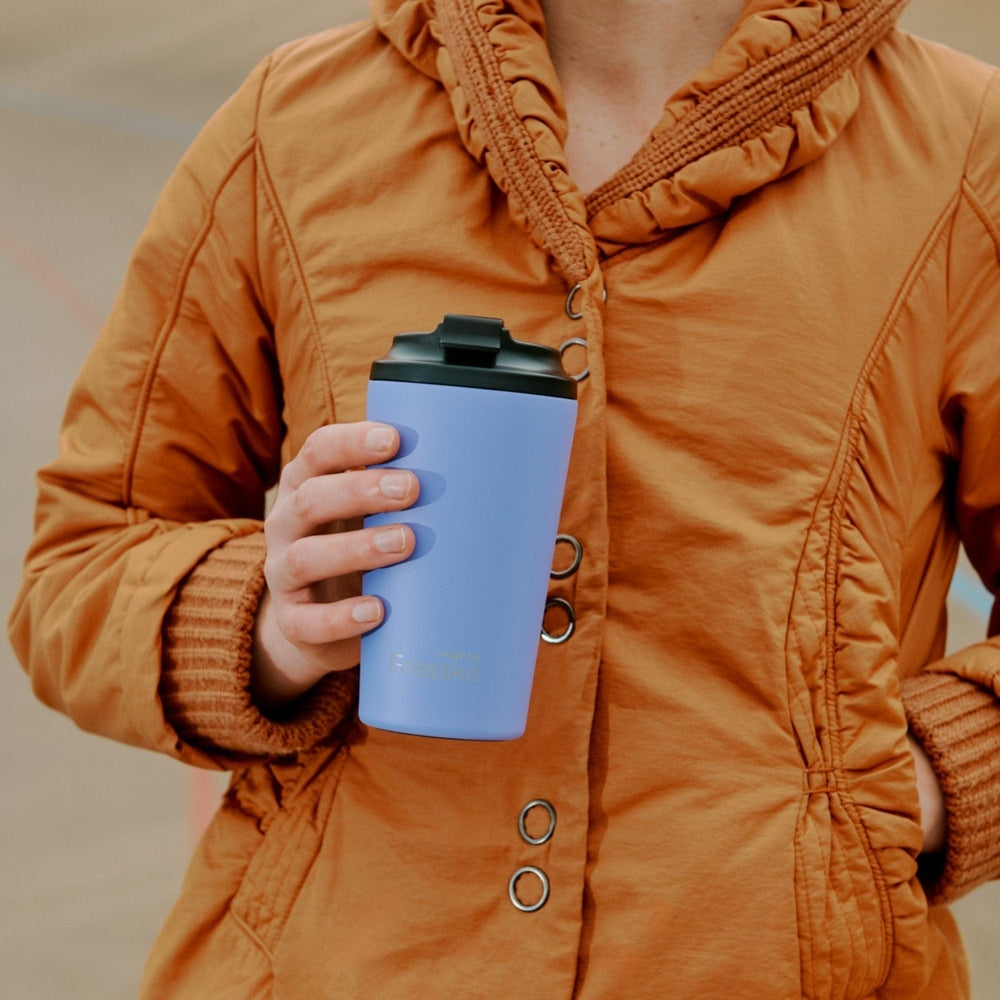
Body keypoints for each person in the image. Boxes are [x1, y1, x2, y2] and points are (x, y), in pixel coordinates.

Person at [8, 0, 1000, 996]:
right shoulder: (295, 127)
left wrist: (913, 786)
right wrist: (265, 622)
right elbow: (79, 563)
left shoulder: (962, 156)